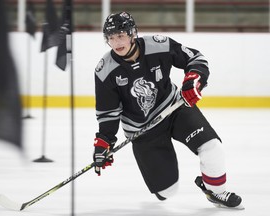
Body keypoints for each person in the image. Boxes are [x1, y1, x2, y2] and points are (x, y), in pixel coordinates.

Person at [93, 11, 242, 208]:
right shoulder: (104, 70)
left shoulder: (159, 45)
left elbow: (196, 58)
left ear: (133, 33)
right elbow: (108, 112)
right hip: (142, 130)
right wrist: (104, 141)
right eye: (111, 38)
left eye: (120, 35)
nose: (116, 42)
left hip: (174, 109)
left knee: (212, 148)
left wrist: (194, 79)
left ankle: (216, 191)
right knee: (167, 191)